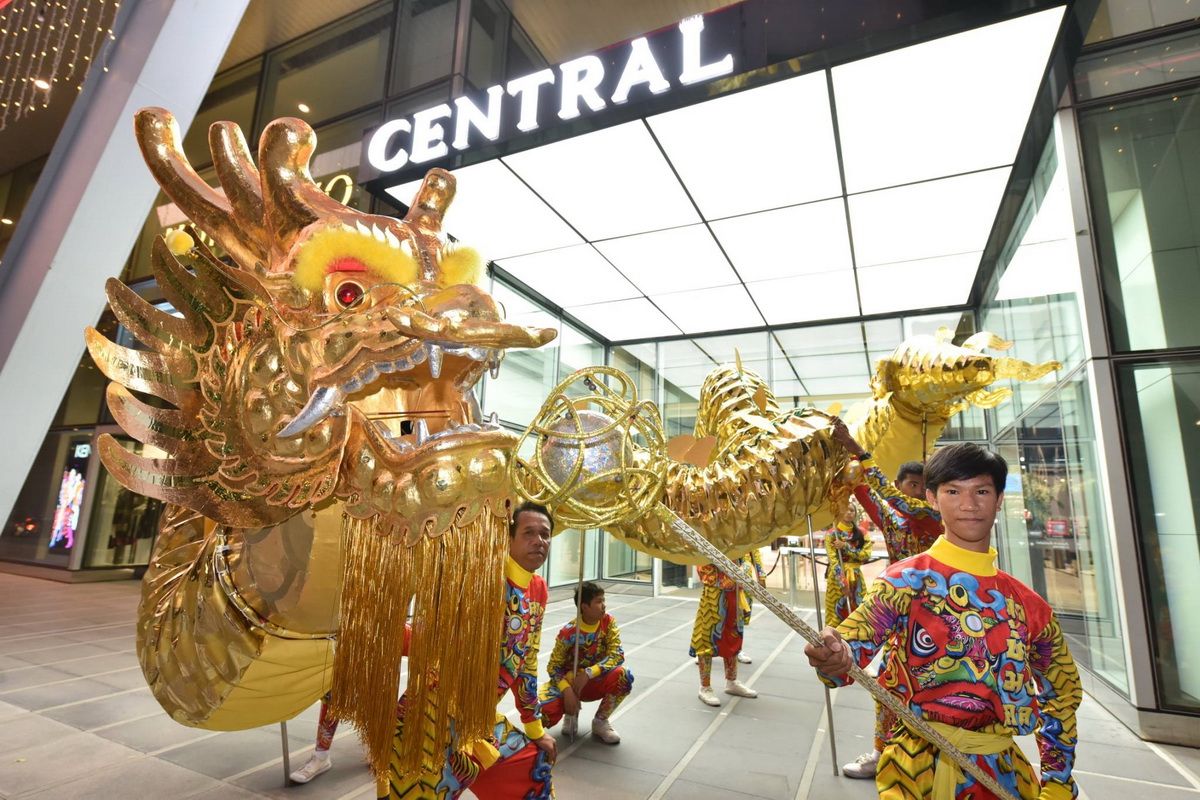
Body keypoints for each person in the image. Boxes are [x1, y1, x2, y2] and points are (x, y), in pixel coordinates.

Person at [804, 443, 1081, 800]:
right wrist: (832, 653)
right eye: (953, 491)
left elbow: (1062, 693)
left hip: (1001, 775)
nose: (969, 504)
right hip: (913, 773)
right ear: (932, 499)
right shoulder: (902, 581)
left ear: (999, 500)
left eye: (981, 491)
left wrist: (1057, 783)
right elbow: (849, 650)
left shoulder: (1030, 606)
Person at [378, 500, 557, 799]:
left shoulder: (538, 588)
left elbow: (527, 662)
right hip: (429, 721)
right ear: (508, 539)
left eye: (545, 534)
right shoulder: (478, 580)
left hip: (477, 721)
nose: (539, 540)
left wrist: (536, 730)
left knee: (532, 771)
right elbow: (428, 638)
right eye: (528, 532)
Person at [831, 418, 945, 779]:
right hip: (900, 618)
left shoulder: (930, 516)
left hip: (940, 617)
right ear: (900, 484)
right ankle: (882, 753)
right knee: (889, 682)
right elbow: (867, 494)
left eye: (924, 486)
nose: (917, 492)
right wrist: (842, 475)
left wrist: (856, 449)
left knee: (938, 687)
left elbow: (888, 498)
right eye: (912, 485)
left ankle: (937, 757)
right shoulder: (895, 522)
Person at [539, 581, 632, 745]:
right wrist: (567, 690)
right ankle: (570, 713)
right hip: (571, 683)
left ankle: (600, 722)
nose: (604, 606)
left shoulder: (608, 623)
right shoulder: (569, 632)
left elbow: (617, 654)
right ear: (584, 606)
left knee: (623, 676)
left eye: (603, 600)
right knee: (542, 711)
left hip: (594, 681)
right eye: (598, 601)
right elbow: (553, 666)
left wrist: (589, 673)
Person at [689, 555, 759, 707]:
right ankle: (705, 687)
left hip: (735, 594)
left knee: (733, 637)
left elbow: (744, 559)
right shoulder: (708, 536)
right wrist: (730, 579)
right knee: (707, 638)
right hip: (714, 596)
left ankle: (732, 682)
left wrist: (745, 571)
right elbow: (703, 568)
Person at [823, 502, 872, 629]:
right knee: (835, 614)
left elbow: (865, 554)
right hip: (837, 578)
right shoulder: (832, 534)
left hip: (856, 577)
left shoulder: (862, 533)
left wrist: (846, 547)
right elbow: (833, 561)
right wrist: (843, 583)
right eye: (846, 509)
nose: (849, 512)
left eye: (852, 510)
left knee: (859, 611)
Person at [736, 548, 766, 664]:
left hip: (745, 582)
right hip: (722, 580)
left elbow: (755, 552)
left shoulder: (748, 532)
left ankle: (737, 650)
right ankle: (706, 651)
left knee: (740, 617)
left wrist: (761, 575)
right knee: (717, 615)